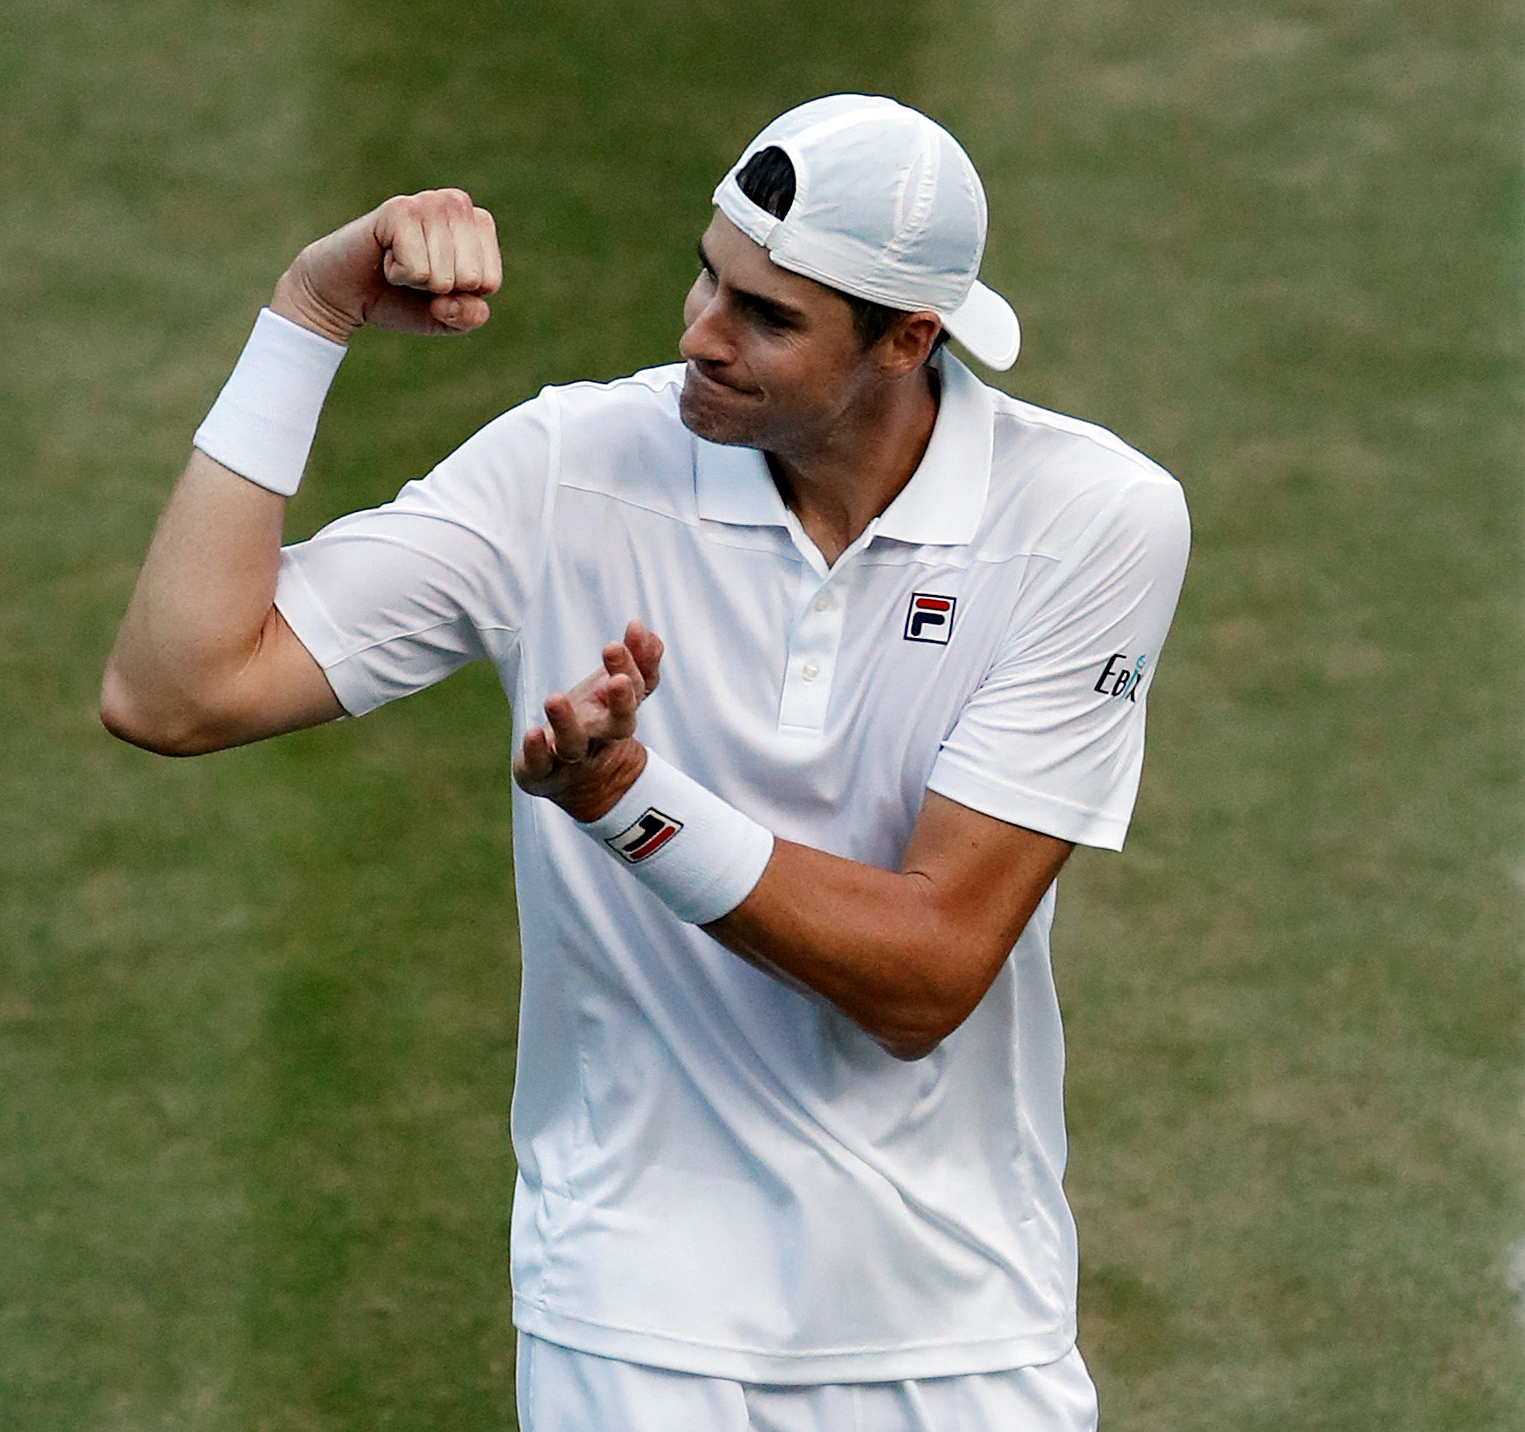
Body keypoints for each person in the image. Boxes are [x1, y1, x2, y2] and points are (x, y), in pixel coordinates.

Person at [101, 94, 1188, 1432]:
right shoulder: (568, 468)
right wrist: (304, 320)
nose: (698, 335)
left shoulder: (1090, 522)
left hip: (961, 1330)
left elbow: (928, 973)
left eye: (767, 317)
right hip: (634, 1326)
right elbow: (176, 687)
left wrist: (630, 804)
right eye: (708, 276)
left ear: (911, 340)